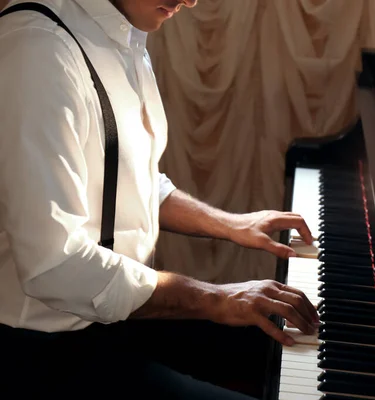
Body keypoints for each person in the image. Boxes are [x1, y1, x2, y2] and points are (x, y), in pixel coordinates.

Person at [0, 0, 318, 398]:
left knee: (300, 346)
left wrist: (232, 224)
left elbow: (129, 180)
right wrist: (216, 298)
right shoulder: (38, 51)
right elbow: (55, 264)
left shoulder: (122, 29)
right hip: (42, 354)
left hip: (118, 318)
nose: (191, 0)